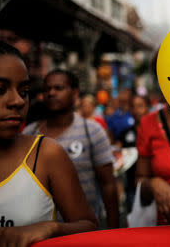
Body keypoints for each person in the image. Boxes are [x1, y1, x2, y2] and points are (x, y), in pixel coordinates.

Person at [0, 42, 97, 246]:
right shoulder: (32, 128)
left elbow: (90, 226)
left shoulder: (46, 153)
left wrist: (51, 228)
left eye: (24, 91)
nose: (17, 101)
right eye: (0, 89)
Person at [23, 69, 119, 229]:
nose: (51, 93)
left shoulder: (92, 131)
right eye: (47, 89)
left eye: (59, 88)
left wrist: (115, 231)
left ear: (75, 93)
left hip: (82, 233)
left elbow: (108, 184)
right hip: (37, 235)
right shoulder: (29, 134)